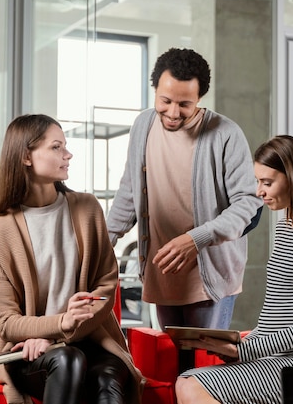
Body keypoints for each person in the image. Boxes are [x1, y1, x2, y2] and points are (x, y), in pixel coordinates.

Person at [174, 135, 293, 404]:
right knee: (188, 380)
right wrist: (236, 344)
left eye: (267, 183)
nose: (259, 192)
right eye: (257, 182)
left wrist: (244, 351)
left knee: (191, 384)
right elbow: (275, 316)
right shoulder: (285, 228)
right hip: (281, 358)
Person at [0, 114, 143, 404]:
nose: (68, 154)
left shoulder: (87, 208)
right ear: (26, 157)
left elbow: (105, 288)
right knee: (67, 361)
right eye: (56, 147)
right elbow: (4, 321)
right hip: (26, 352)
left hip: (90, 341)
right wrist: (56, 327)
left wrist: (58, 335)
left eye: (65, 146)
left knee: (105, 376)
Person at [107, 47, 263, 334]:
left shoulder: (226, 134)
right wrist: (104, 240)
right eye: (165, 101)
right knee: (170, 369)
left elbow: (247, 204)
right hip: (163, 275)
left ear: (199, 99)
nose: (173, 112)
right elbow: (129, 193)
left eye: (185, 104)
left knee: (203, 372)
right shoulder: (142, 125)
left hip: (210, 278)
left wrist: (195, 240)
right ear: (154, 89)